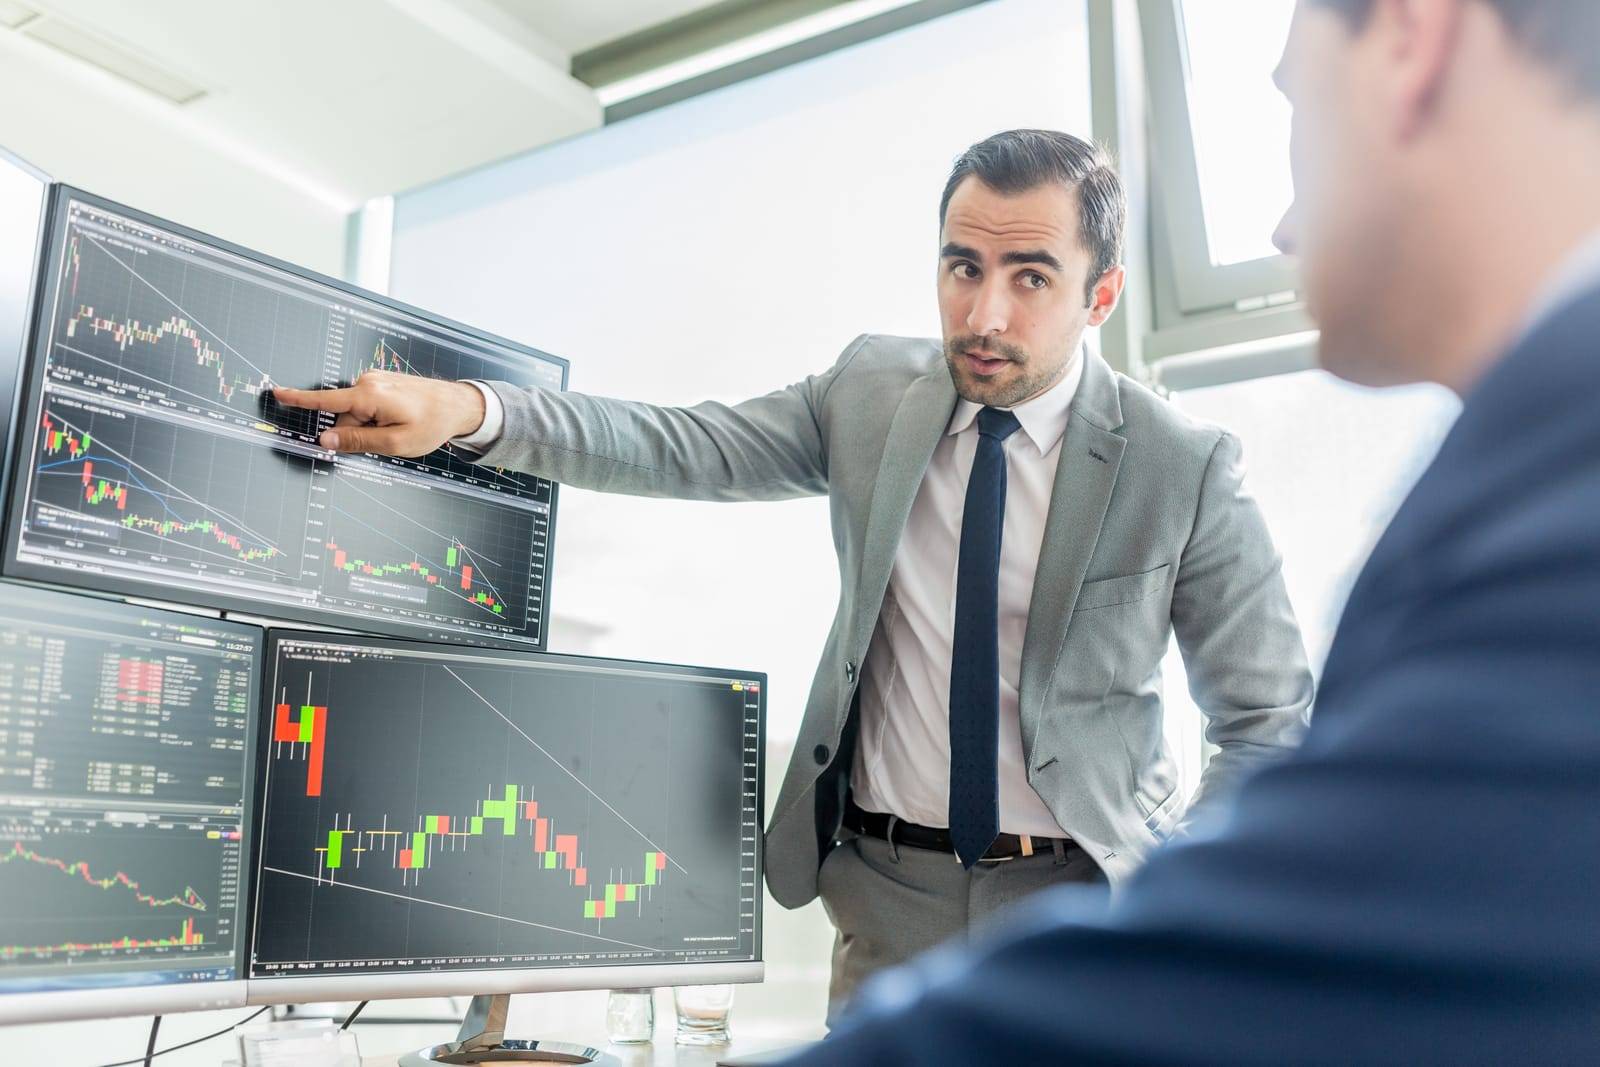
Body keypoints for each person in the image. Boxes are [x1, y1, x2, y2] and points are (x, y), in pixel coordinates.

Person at [274, 129, 1313, 1015]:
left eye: (1029, 276)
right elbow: (681, 443)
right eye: (962, 267)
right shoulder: (871, 391)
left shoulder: (1182, 465)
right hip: (884, 893)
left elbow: (1265, 719)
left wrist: (1174, 894)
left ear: (1101, 295)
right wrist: (473, 413)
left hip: (1083, 899)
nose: (984, 314)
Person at [736, 0, 1598, 1060]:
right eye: (964, 268)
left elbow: (1329, 872)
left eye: (1295, 106)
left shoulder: (1558, 484)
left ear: (1412, 41)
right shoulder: (1529, 450)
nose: (1282, 230)